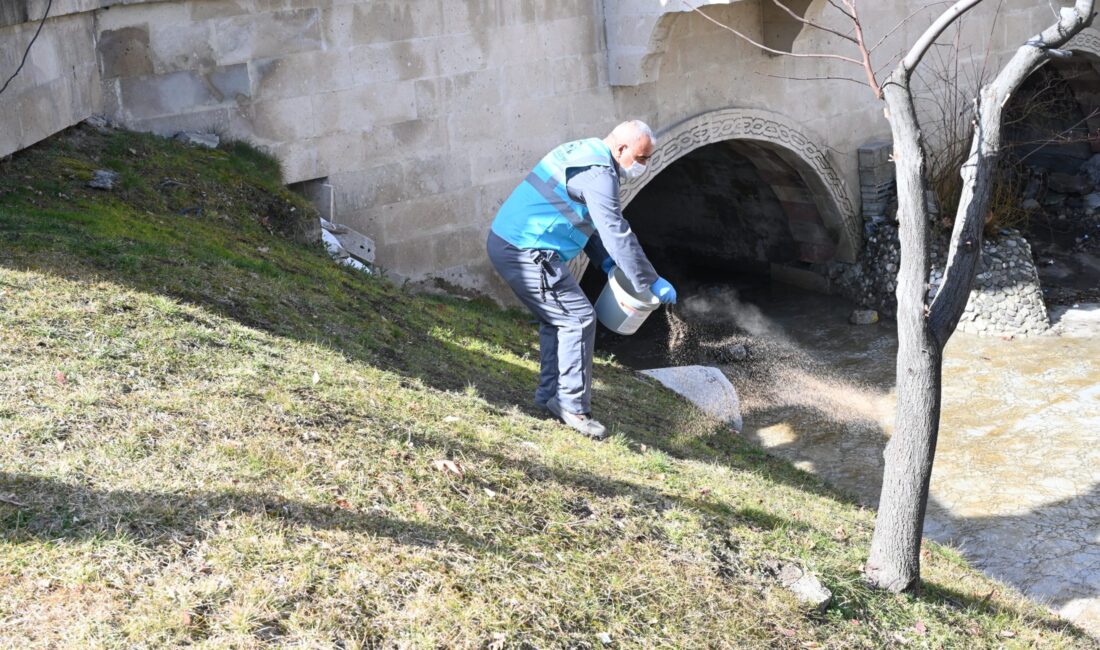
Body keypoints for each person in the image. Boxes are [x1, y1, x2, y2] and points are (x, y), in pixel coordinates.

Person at [486, 120, 677, 440]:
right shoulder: (600, 174)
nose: (644, 166)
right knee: (578, 319)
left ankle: (549, 396)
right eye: (642, 159)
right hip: (525, 249)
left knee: (558, 320)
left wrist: (603, 261)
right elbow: (615, 230)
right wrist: (649, 280)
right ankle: (572, 406)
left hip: (510, 241)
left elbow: (582, 217)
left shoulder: (582, 151)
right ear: (621, 149)